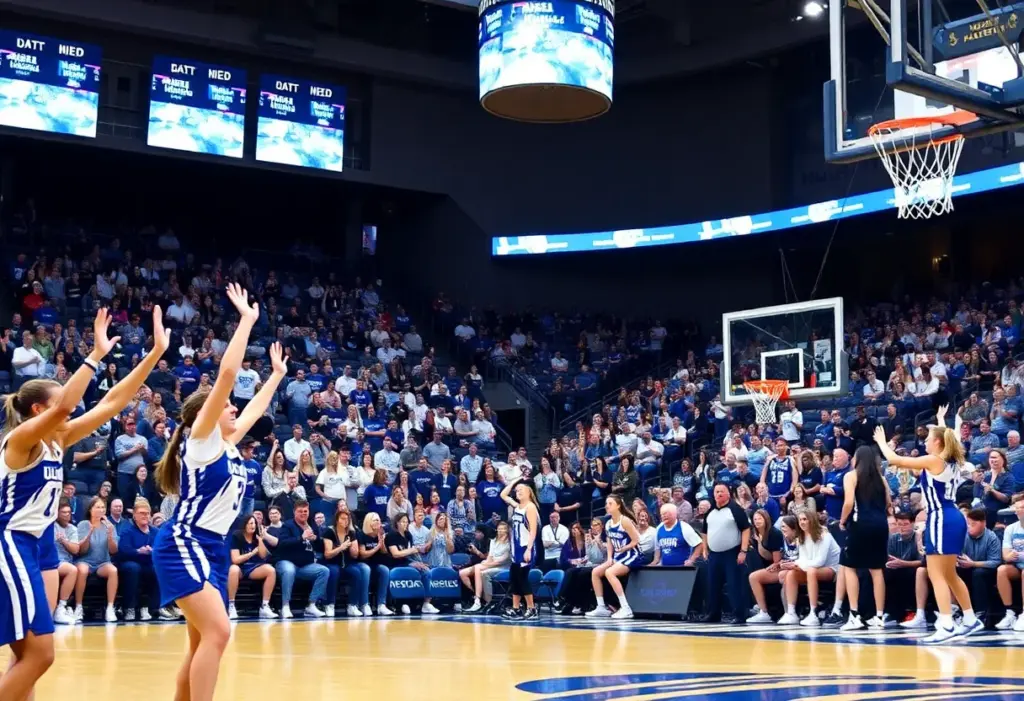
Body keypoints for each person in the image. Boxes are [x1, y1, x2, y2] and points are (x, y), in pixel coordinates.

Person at [1, 306, 166, 701]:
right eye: (64, 399)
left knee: (26, 657)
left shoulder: (58, 438)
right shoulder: (21, 440)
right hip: (10, 542)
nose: (73, 405)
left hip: (37, 544)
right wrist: (93, 355)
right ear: (39, 410)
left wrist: (155, 353)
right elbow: (64, 404)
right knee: (41, 655)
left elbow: (110, 403)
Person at [152, 284, 289, 701]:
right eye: (226, 404)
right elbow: (226, 375)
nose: (232, 406)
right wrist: (246, 321)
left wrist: (278, 376)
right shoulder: (202, 440)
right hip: (184, 541)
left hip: (212, 546)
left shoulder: (229, 446)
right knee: (219, 631)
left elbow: (253, 410)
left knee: (199, 646)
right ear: (205, 414)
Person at [873, 406, 983, 643]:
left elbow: (893, 459)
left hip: (941, 517)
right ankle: (970, 618)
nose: (924, 442)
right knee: (950, 574)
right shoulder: (950, 460)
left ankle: (946, 624)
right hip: (952, 516)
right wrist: (942, 420)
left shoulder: (934, 460)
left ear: (938, 444)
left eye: (929, 439)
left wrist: (882, 442)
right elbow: (950, 436)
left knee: (936, 574)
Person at [838, 445, 891, 631]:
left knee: (849, 567)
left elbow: (848, 502)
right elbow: (889, 503)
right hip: (881, 526)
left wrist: (842, 521)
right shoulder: (881, 479)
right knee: (877, 571)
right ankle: (879, 616)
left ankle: (854, 615)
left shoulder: (851, 476)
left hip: (860, 525)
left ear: (857, 459)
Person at [778, 510, 841, 627]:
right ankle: (791, 613)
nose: (801, 522)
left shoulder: (824, 535)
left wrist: (798, 565)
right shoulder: (801, 537)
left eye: (804, 519)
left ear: (811, 520)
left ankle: (813, 613)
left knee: (811, 571)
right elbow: (803, 558)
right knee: (791, 573)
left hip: (833, 569)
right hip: (813, 568)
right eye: (800, 520)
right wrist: (794, 564)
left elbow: (820, 561)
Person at [699, 483, 751, 623]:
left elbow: (746, 529)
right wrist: (705, 549)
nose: (719, 494)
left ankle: (739, 615)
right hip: (714, 554)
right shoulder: (710, 512)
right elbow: (704, 531)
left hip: (732, 553)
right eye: (716, 492)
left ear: (728, 493)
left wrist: (743, 551)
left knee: (734, 585)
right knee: (713, 585)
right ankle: (713, 614)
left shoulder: (735, 509)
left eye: (722, 491)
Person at [586, 494, 641, 620]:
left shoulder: (625, 521)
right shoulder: (609, 523)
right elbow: (610, 542)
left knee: (609, 572)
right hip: (618, 556)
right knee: (595, 572)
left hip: (632, 554)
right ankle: (601, 607)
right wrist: (610, 557)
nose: (607, 506)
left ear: (618, 505)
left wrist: (624, 548)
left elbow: (636, 540)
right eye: (606, 503)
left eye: (610, 503)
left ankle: (625, 608)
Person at [499, 474, 539, 621]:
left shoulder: (530, 507)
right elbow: (503, 494)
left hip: (525, 547)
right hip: (516, 548)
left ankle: (531, 608)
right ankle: (516, 609)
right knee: (514, 578)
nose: (518, 492)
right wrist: (516, 481)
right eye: (517, 491)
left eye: (521, 490)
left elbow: (533, 530)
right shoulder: (517, 506)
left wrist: (529, 549)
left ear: (529, 492)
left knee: (522, 579)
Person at [226, 514, 278, 620]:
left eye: (254, 523)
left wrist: (260, 540)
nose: (252, 526)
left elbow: (263, 555)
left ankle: (265, 606)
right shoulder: (237, 536)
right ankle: (231, 606)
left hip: (254, 568)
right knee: (233, 569)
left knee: (271, 570)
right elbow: (235, 560)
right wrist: (251, 554)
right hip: (240, 567)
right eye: (250, 523)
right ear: (245, 525)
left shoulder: (256, 537)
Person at [460, 522, 511, 613]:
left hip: (503, 567)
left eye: (503, 529)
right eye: (499, 528)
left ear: (507, 530)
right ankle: (477, 596)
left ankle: (479, 601)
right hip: (491, 564)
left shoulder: (510, 543)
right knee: (463, 573)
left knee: (479, 569)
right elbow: (490, 558)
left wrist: (484, 565)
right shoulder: (493, 540)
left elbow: (501, 561)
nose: (501, 530)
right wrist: (485, 563)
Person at [651, 502, 704, 567]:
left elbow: (699, 544)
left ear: (674, 514)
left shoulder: (684, 527)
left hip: (681, 569)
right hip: (664, 569)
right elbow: (657, 548)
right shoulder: (659, 528)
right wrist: (655, 561)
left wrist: (691, 560)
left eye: (666, 514)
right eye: (662, 514)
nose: (663, 516)